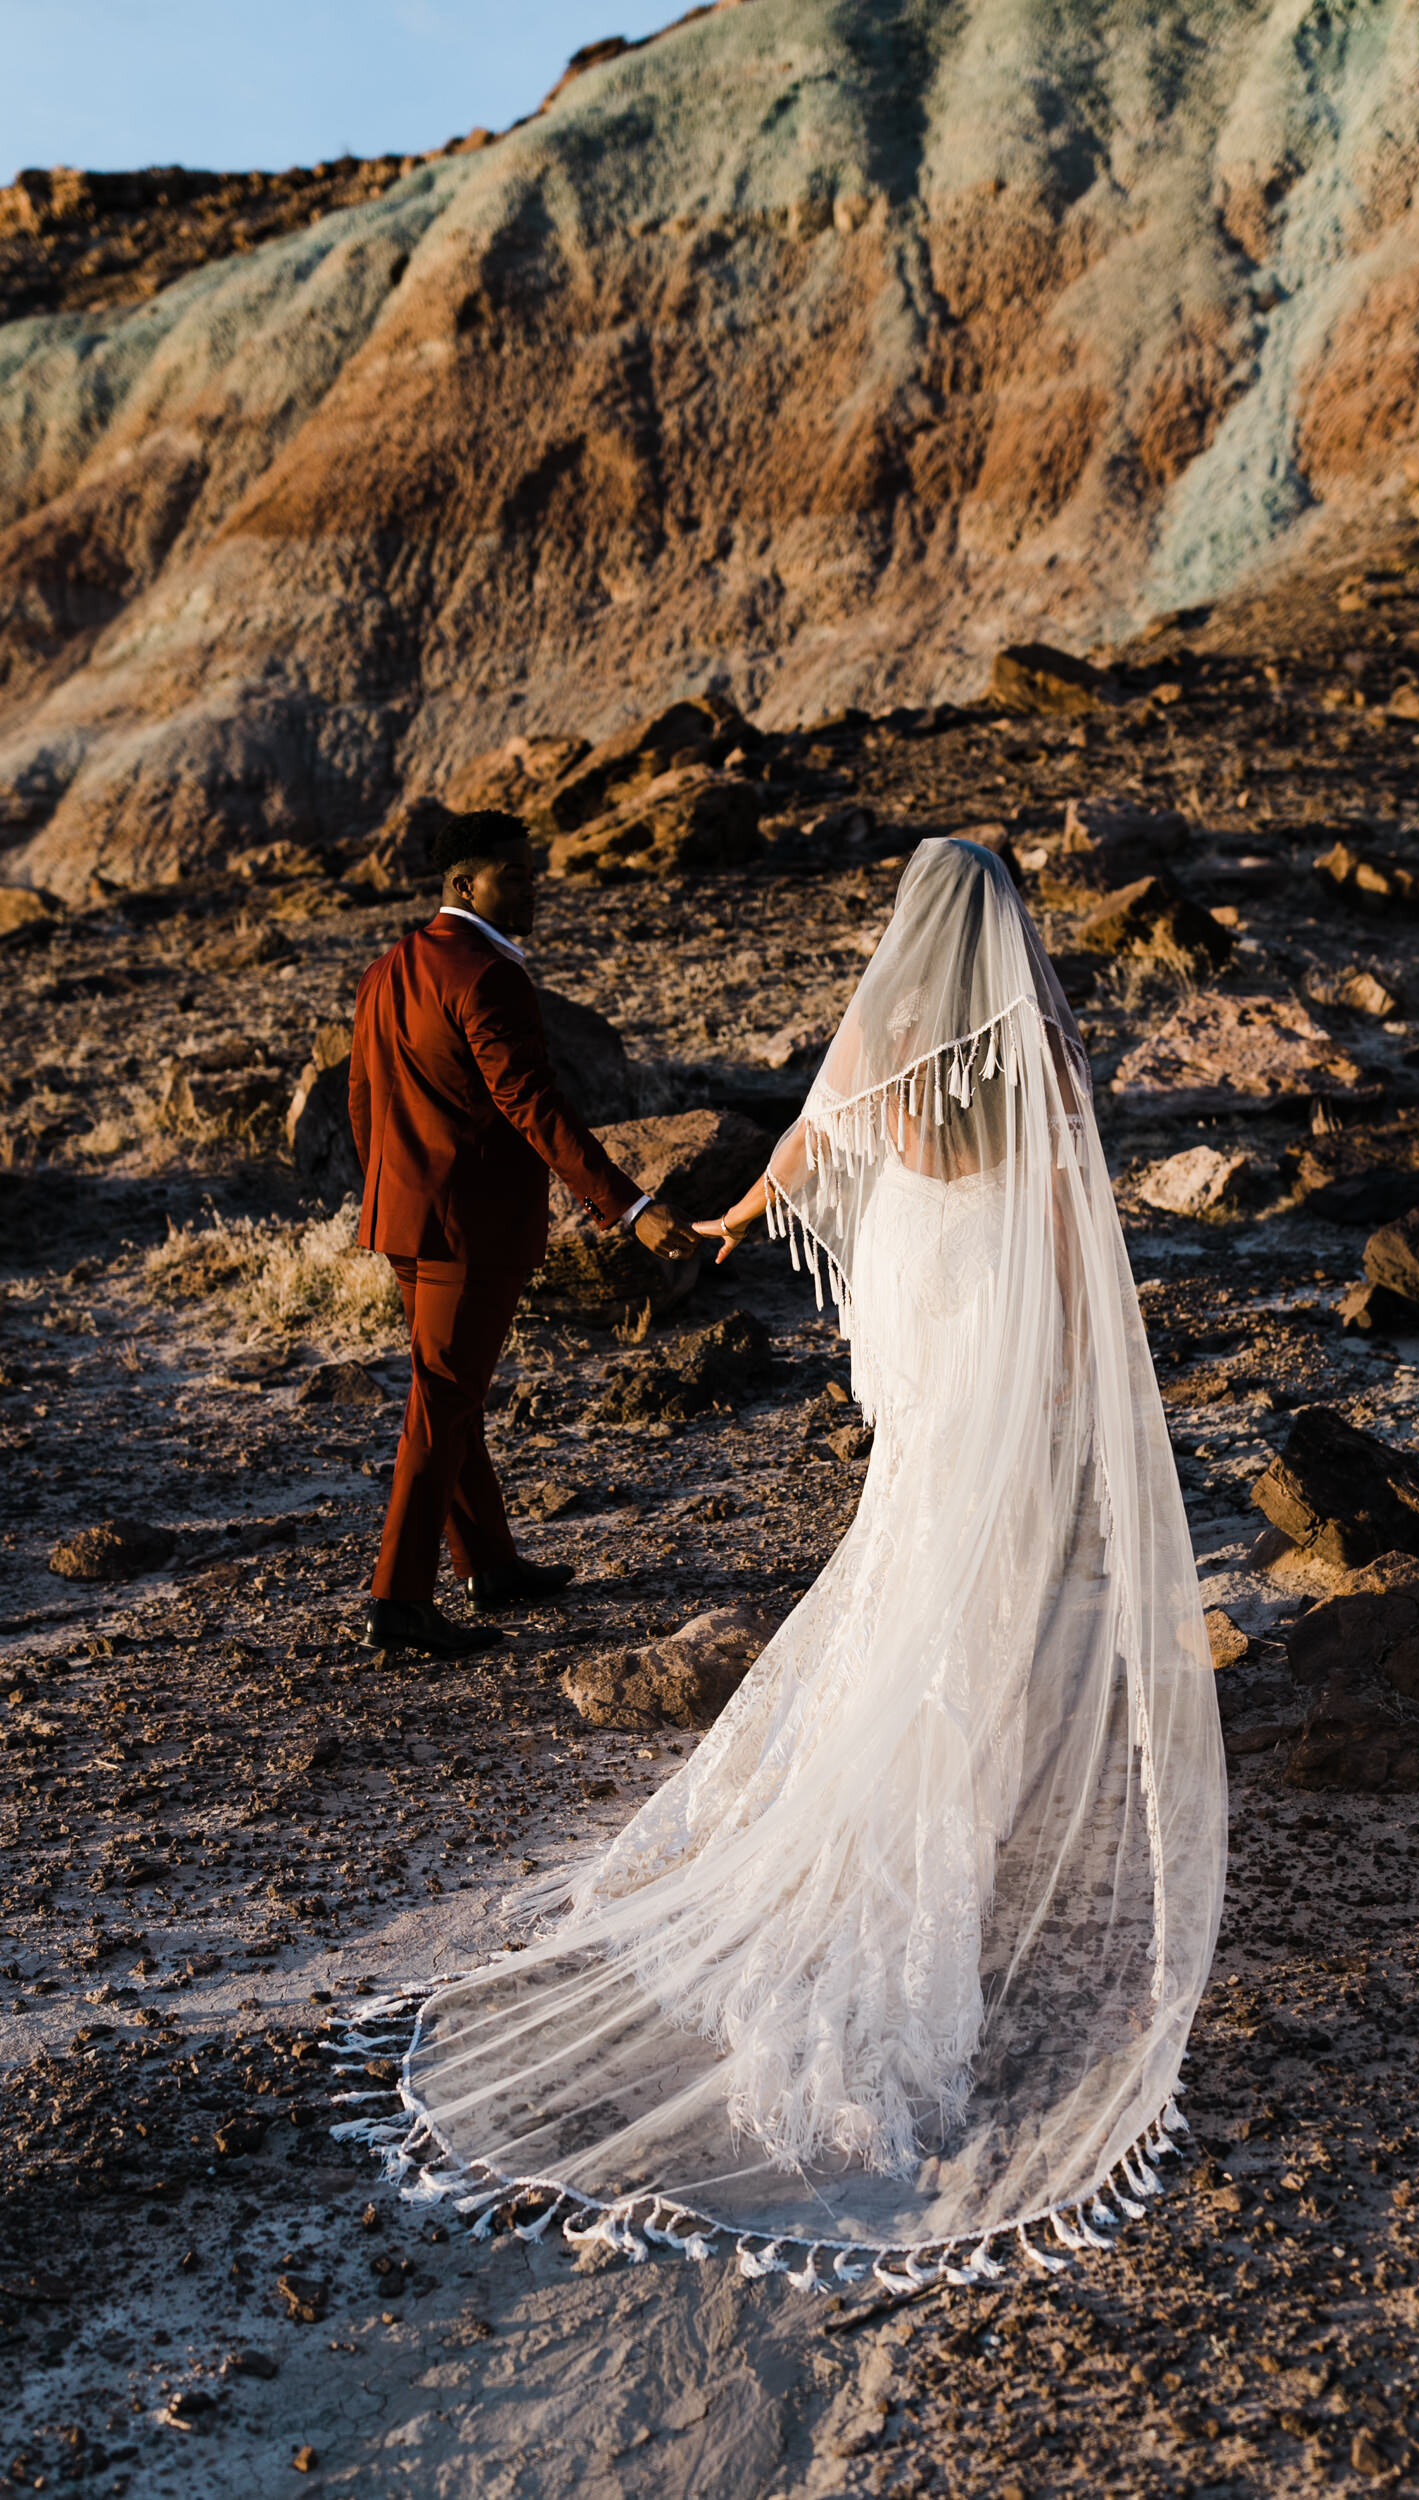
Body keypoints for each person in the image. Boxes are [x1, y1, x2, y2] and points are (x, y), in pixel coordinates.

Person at [389, 838, 1226, 2283]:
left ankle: (913, 1788)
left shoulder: (891, 1037)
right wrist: (1089, 1378)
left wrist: (718, 1221)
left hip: (920, 1336)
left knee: (912, 1560)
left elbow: (804, 1147)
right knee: (986, 1572)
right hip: (986, 1336)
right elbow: (1066, 1231)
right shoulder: (1027, 1051)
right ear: (1004, 927)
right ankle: (950, 1815)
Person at [347, 808, 701, 1659]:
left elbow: (365, 1098)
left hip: (406, 1217)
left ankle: (490, 1563)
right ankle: (398, 1601)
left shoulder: (388, 967)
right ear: (464, 884)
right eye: (516, 873)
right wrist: (627, 1206)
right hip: (468, 1228)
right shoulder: (486, 976)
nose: (534, 886)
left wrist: (387, 1191)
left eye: (533, 869)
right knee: (440, 1400)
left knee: (450, 1391)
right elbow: (531, 1106)